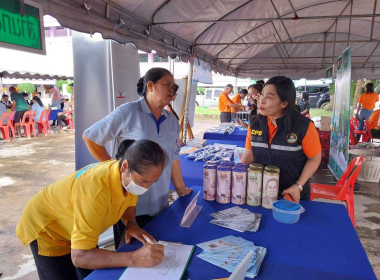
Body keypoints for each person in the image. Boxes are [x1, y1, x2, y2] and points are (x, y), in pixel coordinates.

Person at [16, 139, 167, 280]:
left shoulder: (124, 178)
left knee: (92, 270)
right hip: (48, 229)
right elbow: (80, 256)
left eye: (152, 182)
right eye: (143, 181)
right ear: (125, 167)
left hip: (79, 223)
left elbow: (129, 202)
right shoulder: (95, 193)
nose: (146, 188)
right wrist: (134, 258)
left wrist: (131, 223)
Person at [82, 67, 192, 248]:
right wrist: (114, 170)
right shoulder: (128, 112)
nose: (172, 90)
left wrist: (181, 190)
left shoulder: (171, 120)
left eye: (174, 86)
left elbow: (173, 158)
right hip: (128, 206)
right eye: (167, 84)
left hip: (160, 203)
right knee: (130, 255)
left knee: (157, 253)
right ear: (150, 85)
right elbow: (91, 137)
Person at [241, 76, 322, 203]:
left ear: (284, 103)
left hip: (290, 194)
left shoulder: (303, 126)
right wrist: (238, 178)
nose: (261, 100)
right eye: (262, 94)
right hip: (258, 194)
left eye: (268, 97)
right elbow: (248, 157)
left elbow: (315, 158)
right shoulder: (255, 123)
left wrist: (298, 186)